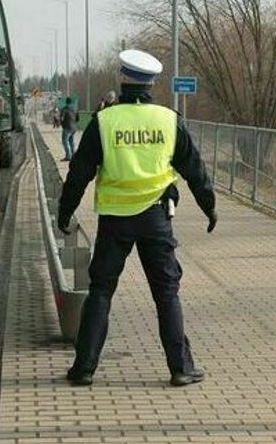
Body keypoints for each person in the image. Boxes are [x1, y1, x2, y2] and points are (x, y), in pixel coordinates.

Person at [56, 49, 217, 388]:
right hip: (156, 217)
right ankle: (181, 369)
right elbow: (194, 169)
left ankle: (84, 368)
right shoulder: (168, 120)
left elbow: (79, 173)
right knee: (166, 293)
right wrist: (209, 206)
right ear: (152, 84)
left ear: (123, 80)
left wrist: (65, 210)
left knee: (101, 291)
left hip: (115, 221)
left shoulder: (105, 121)